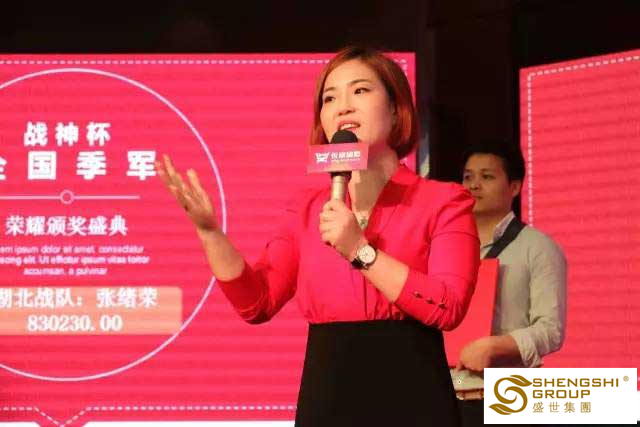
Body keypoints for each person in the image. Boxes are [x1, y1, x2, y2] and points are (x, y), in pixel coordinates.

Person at [155, 46, 480, 427]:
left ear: (396, 110)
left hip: (413, 392)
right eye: (330, 98)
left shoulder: (443, 201)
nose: (343, 107)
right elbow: (257, 303)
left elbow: (448, 306)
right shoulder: (306, 208)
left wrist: (360, 250)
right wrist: (210, 234)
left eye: (360, 90)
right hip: (328, 395)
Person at [454, 141, 567, 427]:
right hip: (448, 394)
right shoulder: (446, 246)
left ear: (514, 187)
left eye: (487, 176)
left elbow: (551, 330)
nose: (474, 185)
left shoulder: (538, 247)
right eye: (468, 177)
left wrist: (496, 346)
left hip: (509, 398)